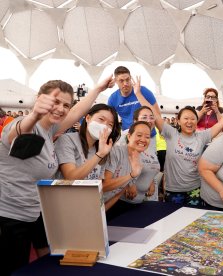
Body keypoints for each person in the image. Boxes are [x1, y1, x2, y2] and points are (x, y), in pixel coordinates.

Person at [0, 76, 114, 275]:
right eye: (55, 102)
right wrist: (35, 114)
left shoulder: (49, 129)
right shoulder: (23, 123)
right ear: (40, 99)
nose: (61, 108)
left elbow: (78, 112)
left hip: (35, 211)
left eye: (65, 105)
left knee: (47, 262)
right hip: (10, 216)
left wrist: (97, 89)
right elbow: (17, 134)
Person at [135, 81, 223, 206]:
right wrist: (138, 94)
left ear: (196, 121)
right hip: (173, 190)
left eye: (193, 119)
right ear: (178, 120)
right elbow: (153, 113)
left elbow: (221, 124)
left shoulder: (202, 137)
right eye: (186, 118)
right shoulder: (171, 133)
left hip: (195, 190)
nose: (190, 122)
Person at [103, 121, 155, 220]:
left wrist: (102, 213)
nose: (143, 140)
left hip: (105, 208)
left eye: (147, 137)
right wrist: (131, 175)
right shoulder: (116, 152)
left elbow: (118, 193)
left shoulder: (138, 160)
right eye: (139, 135)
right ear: (129, 136)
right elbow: (104, 186)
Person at [55, 104, 121, 180]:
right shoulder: (67, 139)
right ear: (88, 118)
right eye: (101, 119)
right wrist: (99, 154)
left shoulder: (103, 148)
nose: (104, 126)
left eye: (110, 124)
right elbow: (70, 178)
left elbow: (99, 182)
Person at [108, 66, 160, 135]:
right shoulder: (113, 99)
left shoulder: (143, 91)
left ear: (130, 78)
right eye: (121, 81)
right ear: (116, 81)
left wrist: (138, 94)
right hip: (129, 135)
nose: (125, 83)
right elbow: (109, 120)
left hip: (148, 134)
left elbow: (157, 114)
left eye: (127, 79)